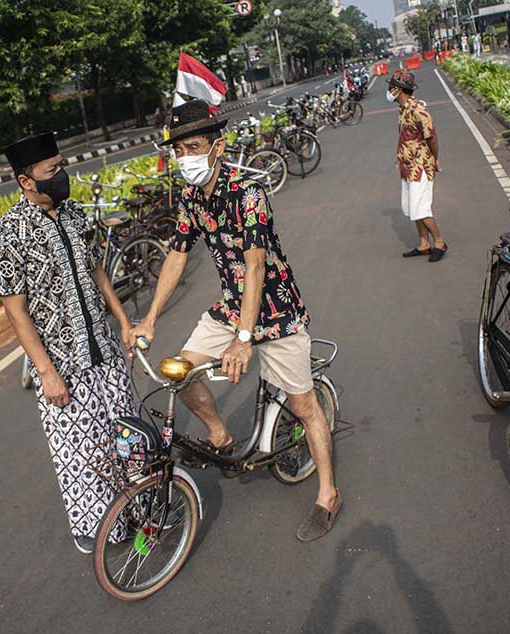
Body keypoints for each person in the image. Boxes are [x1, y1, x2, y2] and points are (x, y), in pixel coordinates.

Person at [128, 99, 342, 542]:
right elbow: (177, 255)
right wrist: (147, 318)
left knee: (302, 406)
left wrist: (244, 340)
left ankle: (328, 493)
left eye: (193, 147)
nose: (185, 158)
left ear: (218, 147)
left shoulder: (249, 193)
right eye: (179, 150)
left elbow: (257, 268)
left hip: (275, 311)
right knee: (179, 372)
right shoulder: (191, 197)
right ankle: (221, 436)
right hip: (231, 307)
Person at [0, 132, 136, 555]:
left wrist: (123, 321)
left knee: (124, 435)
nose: (62, 176)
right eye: (52, 171)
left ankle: (139, 506)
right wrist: (47, 374)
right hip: (62, 365)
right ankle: (96, 526)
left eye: (61, 166)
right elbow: (16, 312)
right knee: (82, 451)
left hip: (104, 350)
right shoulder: (7, 235)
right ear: (25, 181)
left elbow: (96, 272)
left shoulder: (73, 214)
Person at [388, 69, 447, 263]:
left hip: (420, 167)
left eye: (391, 87)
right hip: (407, 165)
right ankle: (424, 244)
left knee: (420, 208)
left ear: (398, 89)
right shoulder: (403, 109)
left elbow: (433, 138)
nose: (389, 90)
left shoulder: (418, 110)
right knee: (411, 208)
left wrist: (435, 159)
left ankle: (439, 242)